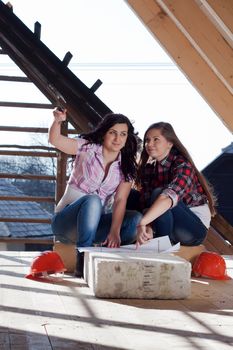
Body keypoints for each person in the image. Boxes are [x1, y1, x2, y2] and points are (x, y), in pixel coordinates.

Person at [49, 108, 142, 277]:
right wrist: (57, 121)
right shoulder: (87, 147)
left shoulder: (126, 166)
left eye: (123, 134)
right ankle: (82, 258)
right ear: (104, 133)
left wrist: (115, 230)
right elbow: (55, 140)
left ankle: (103, 256)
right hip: (66, 224)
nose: (117, 138)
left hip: (95, 226)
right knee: (92, 200)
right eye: (113, 132)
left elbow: (120, 200)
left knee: (135, 219)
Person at [131, 122, 216, 248]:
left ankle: (160, 246)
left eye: (156, 140)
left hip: (193, 229)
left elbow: (167, 198)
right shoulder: (149, 169)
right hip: (168, 224)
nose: (149, 144)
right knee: (132, 196)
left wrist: (142, 222)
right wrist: (148, 226)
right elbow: (146, 203)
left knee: (160, 193)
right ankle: (144, 238)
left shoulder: (183, 165)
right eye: (147, 140)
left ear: (170, 143)